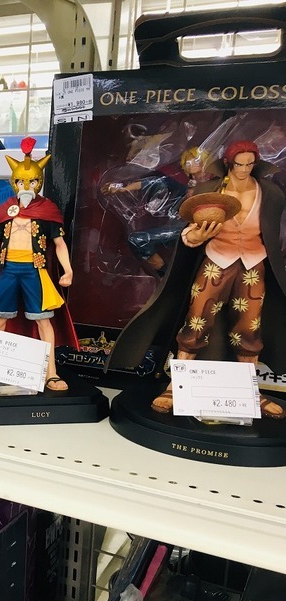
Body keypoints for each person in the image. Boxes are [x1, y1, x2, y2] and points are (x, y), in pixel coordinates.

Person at [107, 139, 286, 418]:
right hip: (217, 261)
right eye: (239, 164)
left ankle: (249, 391)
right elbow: (189, 232)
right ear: (228, 163)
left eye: (250, 164)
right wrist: (196, 236)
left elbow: (274, 233)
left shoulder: (269, 192)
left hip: (253, 264)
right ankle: (176, 386)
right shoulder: (210, 190)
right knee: (196, 320)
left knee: (249, 328)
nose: (244, 169)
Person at [0, 137, 76, 391]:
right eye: (21, 181)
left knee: (43, 321)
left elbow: (59, 244)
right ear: (14, 182)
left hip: (35, 272)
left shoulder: (47, 210)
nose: (26, 186)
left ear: (39, 181)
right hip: (9, 271)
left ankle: (51, 373)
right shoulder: (6, 210)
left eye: (32, 181)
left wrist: (68, 270)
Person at [102, 146, 214, 274]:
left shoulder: (216, 186)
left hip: (196, 231)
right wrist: (122, 189)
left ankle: (168, 274)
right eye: (191, 172)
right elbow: (154, 182)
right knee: (137, 240)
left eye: (198, 166)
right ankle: (164, 274)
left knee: (139, 240)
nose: (196, 174)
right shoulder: (184, 188)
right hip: (179, 229)